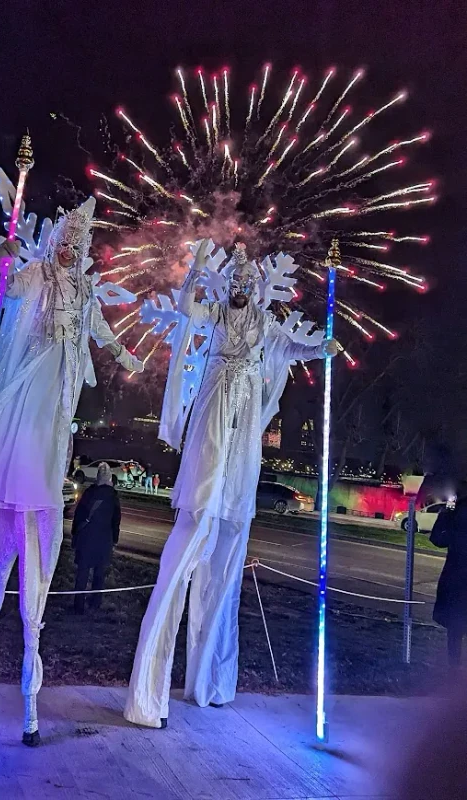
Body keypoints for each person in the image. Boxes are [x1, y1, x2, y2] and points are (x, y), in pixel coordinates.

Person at [125, 239, 337, 728]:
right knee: (199, 511)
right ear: (230, 286)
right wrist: (197, 269)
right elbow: (186, 309)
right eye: (235, 283)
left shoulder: (264, 324)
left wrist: (322, 348)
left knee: (229, 539)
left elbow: (293, 348)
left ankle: (211, 681)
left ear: (256, 289)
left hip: (244, 424)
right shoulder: (218, 314)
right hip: (213, 412)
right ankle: (151, 688)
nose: (241, 290)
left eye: (247, 284)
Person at [0, 197, 143, 746]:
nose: (69, 247)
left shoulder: (83, 291)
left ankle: (12, 675)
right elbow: (11, 289)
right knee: (2, 569)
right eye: (65, 238)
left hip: (60, 396)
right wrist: (8, 254)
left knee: (28, 559)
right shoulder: (40, 274)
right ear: (57, 239)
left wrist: (127, 358)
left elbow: (102, 333)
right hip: (33, 379)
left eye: (78, 242)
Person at [71, 462, 121, 614]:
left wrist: (75, 534)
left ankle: (78, 606)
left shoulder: (89, 492)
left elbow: (79, 515)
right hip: (103, 541)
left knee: (82, 574)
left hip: (86, 540)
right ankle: (95, 603)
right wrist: (114, 540)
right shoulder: (113, 496)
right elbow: (116, 521)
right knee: (99, 574)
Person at [430, 483, 467, 666]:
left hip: (457, 578)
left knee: (455, 631)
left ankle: (453, 675)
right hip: (457, 578)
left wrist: (444, 516)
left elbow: (438, 539)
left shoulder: (457, 513)